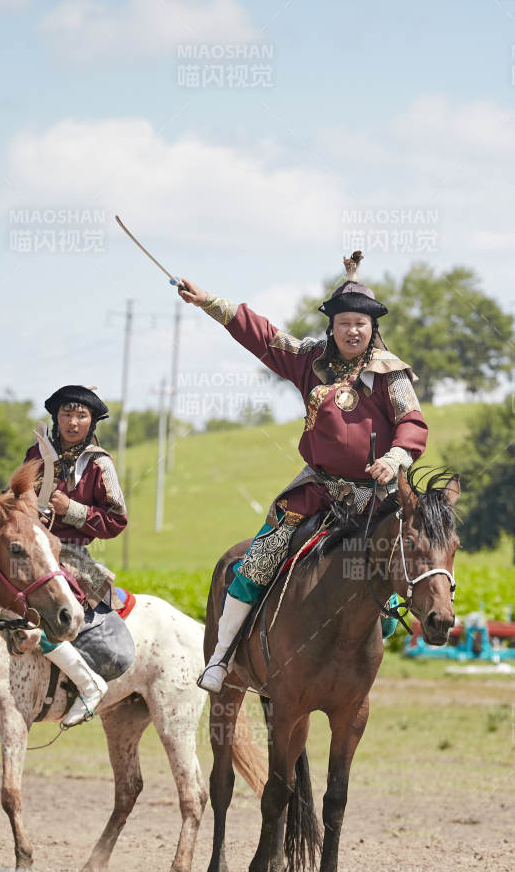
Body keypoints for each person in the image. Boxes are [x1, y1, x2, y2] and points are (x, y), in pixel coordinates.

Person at [175, 252, 428, 693]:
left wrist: (395, 459)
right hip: (317, 490)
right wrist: (210, 303)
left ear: (373, 329)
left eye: (361, 324)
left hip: (375, 497)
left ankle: (362, 665)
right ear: (332, 326)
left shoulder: (393, 374)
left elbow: (413, 424)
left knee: (395, 568)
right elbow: (264, 336)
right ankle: (221, 657)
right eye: (345, 322)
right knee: (258, 557)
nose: (353, 330)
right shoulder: (310, 360)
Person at [20, 384, 128, 726]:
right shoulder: (35, 455)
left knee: (52, 608)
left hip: (71, 555)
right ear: (56, 417)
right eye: (67, 413)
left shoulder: (100, 464)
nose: (73, 421)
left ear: (91, 421)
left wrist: (72, 510)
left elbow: (116, 519)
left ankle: (86, 682)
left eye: (81, 415)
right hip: (31, 546)